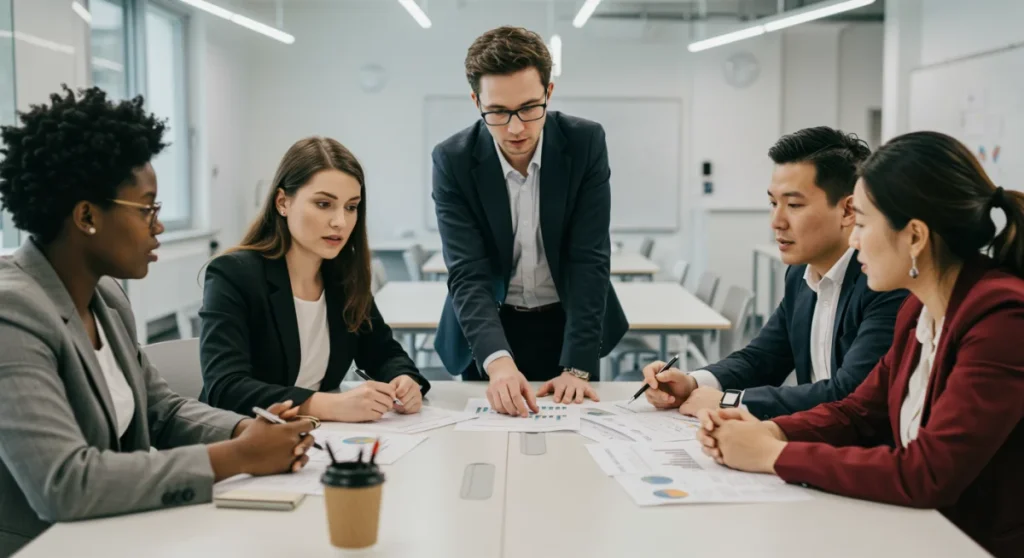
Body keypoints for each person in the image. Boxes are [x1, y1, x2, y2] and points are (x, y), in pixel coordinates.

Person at [0, 87, 315, 556]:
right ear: (86, 216)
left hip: (118, 534)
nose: (159, 226)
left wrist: (243, 431)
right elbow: (64, 483)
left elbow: (160, 410)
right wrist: (236, 456)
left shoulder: (106, 298)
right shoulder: (12, 314)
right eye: (147, 208)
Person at [695, 131, 1024, 558]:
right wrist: (770, 430)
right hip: (915, 531)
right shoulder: (919, 309)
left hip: (971, 544)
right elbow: (857, 411)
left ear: (915, 237)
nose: (853, 240)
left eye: (863, 224)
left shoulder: (1001, 318)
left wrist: (773, 455)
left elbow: (928, 473)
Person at [642, 127, 906, 419]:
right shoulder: (800, 276)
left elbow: (849, 394)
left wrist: (730, 401)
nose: (776, 221)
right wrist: (693, 382)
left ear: (847, 211)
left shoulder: (882, 283)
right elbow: (762, 358)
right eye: (773, 203)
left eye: (793, 205)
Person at [432, 26, 628, 416]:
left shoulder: (584, 143)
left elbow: (589, 259)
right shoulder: (453, 160)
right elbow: (468, 273)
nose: (516, 127)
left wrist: (577, 365)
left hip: (569, 325)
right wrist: (497, 361)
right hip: (489, 327)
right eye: (498, 112)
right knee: (484, 440)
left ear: (548, 93)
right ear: (476, 101)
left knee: (578, 437)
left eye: (529, 108)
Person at [199, 137, 430, 422]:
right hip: (245, 435)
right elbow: (225, 388)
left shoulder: (344, 277)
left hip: (318, 435)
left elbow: (383, 353)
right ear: (283, 202)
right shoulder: (234, 275)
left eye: (351, 207)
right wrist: (327, 405)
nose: (340, 222)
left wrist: (404, 380)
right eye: (324, 204)